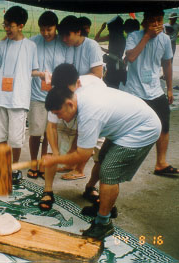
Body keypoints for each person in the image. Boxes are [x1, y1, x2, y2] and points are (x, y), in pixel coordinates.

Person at [42, 63, 161, 239]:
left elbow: (82, 154)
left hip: (142, 129)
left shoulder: (89, 113)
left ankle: (103, 222)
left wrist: (54, 160)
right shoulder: (75, 96)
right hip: (126, 125)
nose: (59, 118)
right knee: (104, 157)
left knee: (109, 172)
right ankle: (105, 205)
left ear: (69, 104)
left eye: (59, 114)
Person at [45, 15, 103, 204]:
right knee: (56, 151)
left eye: (67, 35)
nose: (64, 40)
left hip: (97, 108)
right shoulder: (60, 93)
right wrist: (54, 153)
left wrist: (68, 158)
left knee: (97, 153)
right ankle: (48, 190)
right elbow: (51, 126)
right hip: (71, 91)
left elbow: (97, 74)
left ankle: (90, 185)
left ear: (78, 32)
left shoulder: (91, 47)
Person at [121, 9, 179, 176]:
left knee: (164, 125)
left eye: (159, 20)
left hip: (155, 90)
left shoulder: (164, 39)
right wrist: (147, 36)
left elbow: (167, 64)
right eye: (152, 20)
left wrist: (169, 89)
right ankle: (123, 163)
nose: (156, 24)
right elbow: (131, 57)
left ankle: (161, 163)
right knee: (129, 128)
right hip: (135, 91)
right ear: (145, 21)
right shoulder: (134, 36)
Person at [0, 6, 39, 184]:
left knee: (16, 138)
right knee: (0, 136)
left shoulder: (31, 46)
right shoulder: (2, 45)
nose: (6, 29)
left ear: (21, 25)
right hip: (0, 97)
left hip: (19, 99)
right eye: (4, 25)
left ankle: (15, 168)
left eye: (9, 26)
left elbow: (33, 70)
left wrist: (41, 75)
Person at [27, 11, 66, 179]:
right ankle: (33, 162)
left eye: (49, 29)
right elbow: (26, 67)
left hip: (55, 96)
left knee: (49, 133)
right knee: (35, 132)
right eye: (42, 29)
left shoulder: (63, 44)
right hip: (36, 95)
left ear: (56, 27)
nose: (45, 33)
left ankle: (44, 161)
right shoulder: (32, 43)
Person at [94, 16, 126, 89]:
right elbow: (114, 51)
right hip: (119, 64)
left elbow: (96, 40)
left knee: (109, 84)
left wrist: (101, 29)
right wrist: (101, 48)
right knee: (116, 84)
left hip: (112, 64)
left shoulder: (112, 36)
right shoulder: (122, 37)